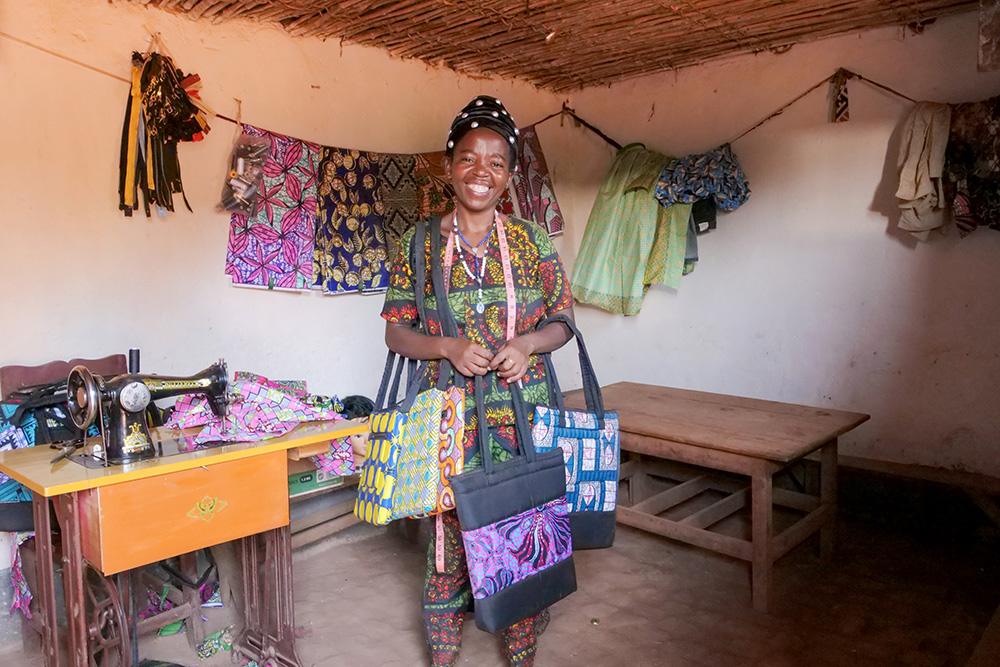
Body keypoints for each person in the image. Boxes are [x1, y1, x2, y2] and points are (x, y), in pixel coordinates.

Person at [381, 95, 575, 667]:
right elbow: (397, 334)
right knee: (447, 544)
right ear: (449, 166)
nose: (481, 174)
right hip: (448, 421)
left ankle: (521, 652)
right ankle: (444, 656)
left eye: (496, 162)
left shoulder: (532, 242)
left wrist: (527, 345)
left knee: (524, 533)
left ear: (510, 175)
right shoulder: (416, 246)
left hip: (523, 416)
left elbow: (563, 323)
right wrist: (446, 346)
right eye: (469, 159)